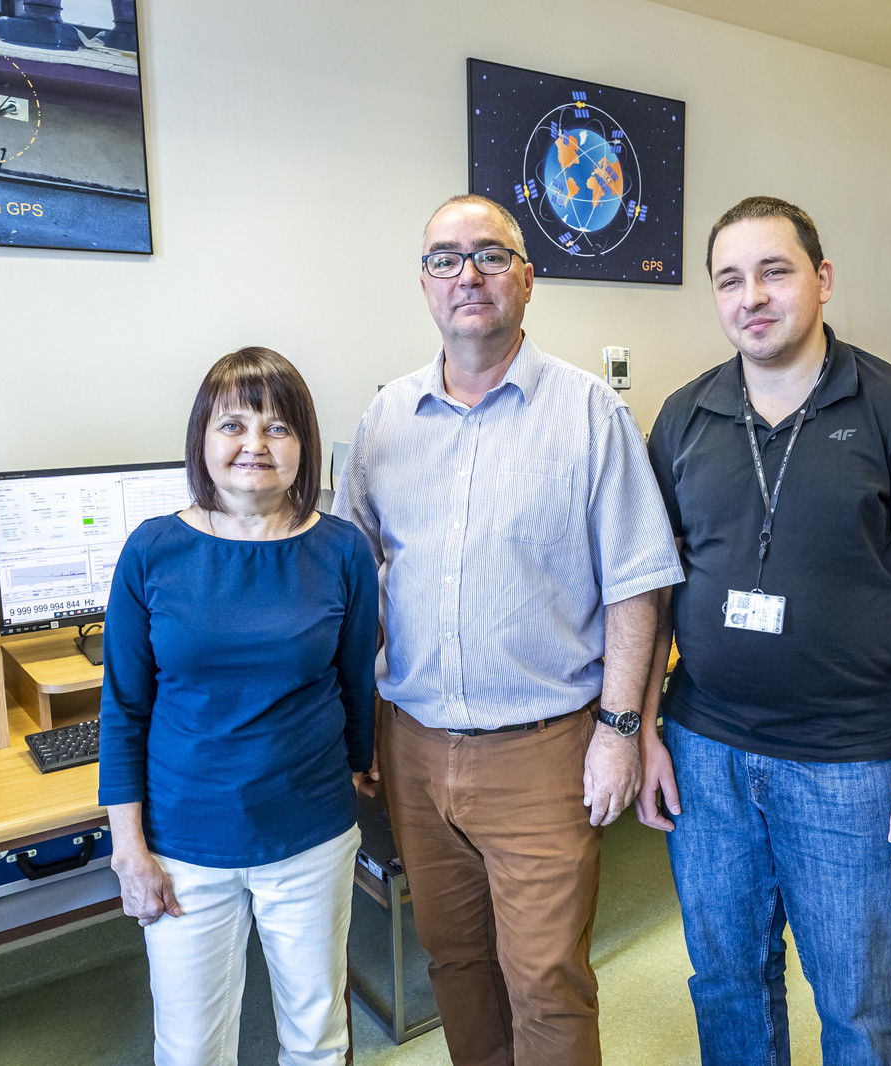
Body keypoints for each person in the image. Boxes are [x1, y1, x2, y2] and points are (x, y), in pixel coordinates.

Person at [334, 194, 683, 1066]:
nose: (468, 276)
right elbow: (352, 582)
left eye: (490, 256)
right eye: (445, 259)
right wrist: (356, 724)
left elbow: (638, 587)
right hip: (413, 748)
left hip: (542, 752)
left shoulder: (590, 414)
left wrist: (620, 730)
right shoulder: (386, 420)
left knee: (546, 984)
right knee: (455, 964)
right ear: (425, 283)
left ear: (527, 279)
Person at [640, 195, 891, 1065]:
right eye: (729, 280)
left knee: (859, 1004)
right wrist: (640, 730)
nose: (751, 296)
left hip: (850, 764)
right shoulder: (684, 416)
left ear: (822, 280)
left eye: (774, 271)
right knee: (726, 983)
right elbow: (653, 590)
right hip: (707, 754)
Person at [98, 347, 378, 1066]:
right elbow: (124, 709)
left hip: (312, 834)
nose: (255, 444)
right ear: (202, 438)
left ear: (304, 445)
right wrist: (128, 850)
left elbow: (355, 688)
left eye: (278, 427)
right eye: (233, 425)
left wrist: (350, 775)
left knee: (318, 1041)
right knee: (191, 1051)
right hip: (183, 844)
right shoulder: (152, 550)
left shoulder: (342, 551)